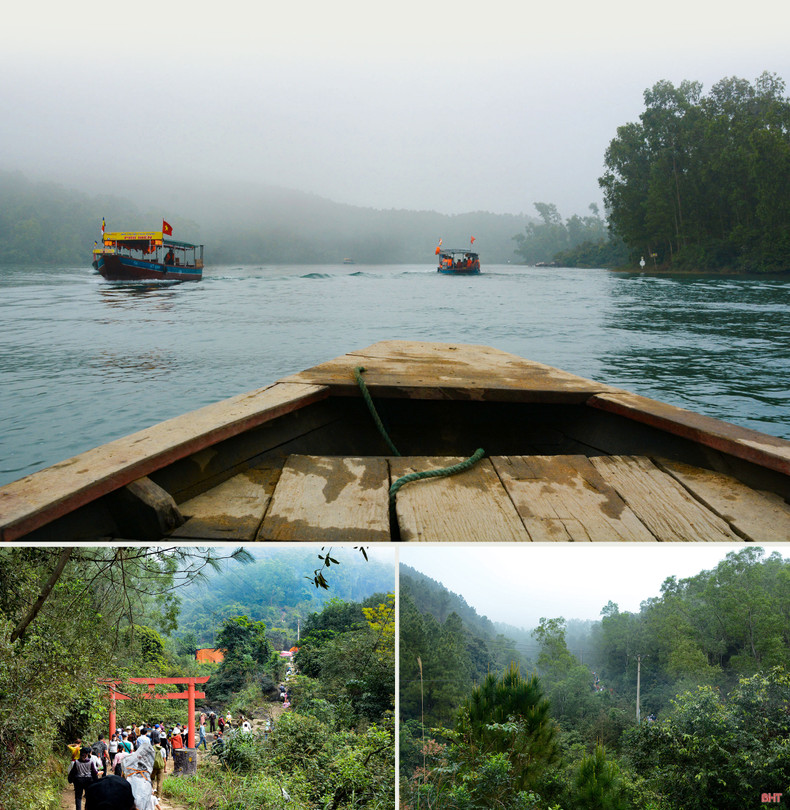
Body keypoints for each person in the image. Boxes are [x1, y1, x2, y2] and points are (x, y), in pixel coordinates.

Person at [69, 746, 99, 810]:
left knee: (78, 797)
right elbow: (94, 772)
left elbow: (73, 772)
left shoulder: (76, 762)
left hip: (78, 781)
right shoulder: (90, 762)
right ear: (87, 754)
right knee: (88, 797)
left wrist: (70, 779)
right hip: (88, 781)